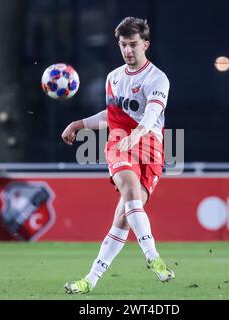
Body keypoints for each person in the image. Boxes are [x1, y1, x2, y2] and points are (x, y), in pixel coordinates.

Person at [61, 17, 174, 294]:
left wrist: (139, 134)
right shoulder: (113, 78)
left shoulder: (157, 78)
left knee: (124, 216)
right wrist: (79, 124)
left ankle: (90, 280)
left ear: (145, 44)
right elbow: (111, 117)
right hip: (120, 143)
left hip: (151, 147)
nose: (128, 50)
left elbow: (152, 112)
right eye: (123, 44)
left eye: (133, 44)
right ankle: (153, 257)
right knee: (131, 190)